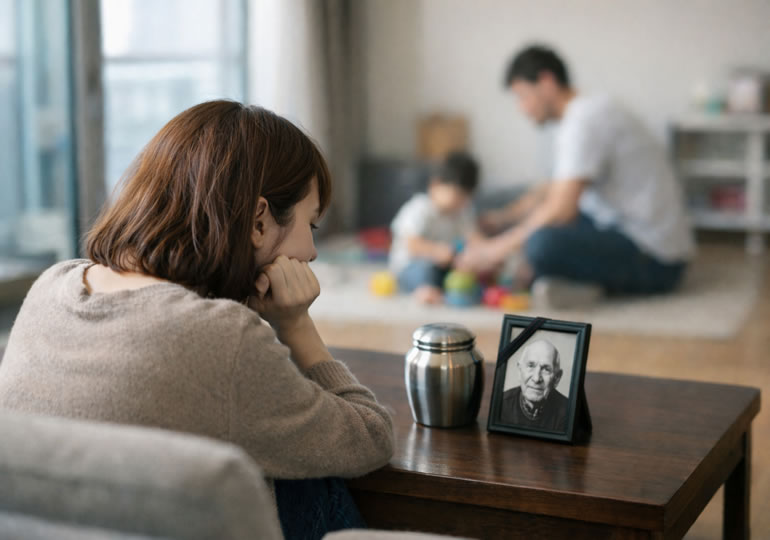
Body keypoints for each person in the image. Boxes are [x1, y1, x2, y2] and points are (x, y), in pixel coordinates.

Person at [0, 101, 394, 540]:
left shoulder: (51, 287)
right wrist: (297, 325)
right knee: (310, 477)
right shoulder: (223, 339)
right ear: (258, 221)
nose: (313, 253)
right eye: (312, 225)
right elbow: (371, 437)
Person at [458, 45, 695, 308]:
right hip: (615, 226)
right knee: (527, 216)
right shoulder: (586, 112)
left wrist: (495, 250)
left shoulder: (585, 120)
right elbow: (551, 189)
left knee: (541, 244)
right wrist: (503, 218)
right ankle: (566, 281)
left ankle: (567, 282)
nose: (522, 109)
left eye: (523, 96)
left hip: (655, 257)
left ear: (547, 82)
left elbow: (561, 209)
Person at [389, 151, 482, 304]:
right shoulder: (420, 208)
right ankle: (424, 290)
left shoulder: (462, 213)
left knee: (466, 274)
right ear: (436, 185)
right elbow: (412, 244)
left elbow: (474, 239)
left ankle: (446, 289)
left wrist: (471, 258)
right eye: (457, 195)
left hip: (444, 267)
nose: (460, 202)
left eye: (465, 198)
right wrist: (437, 251)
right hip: (410, 265)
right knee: (424, 271)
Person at [501, 339, 568, 432]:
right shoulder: (501, 404)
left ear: (557, 378)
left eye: (546, 369)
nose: (536, 379)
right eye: (531, 366)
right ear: (519, 371)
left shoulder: (568, 412)